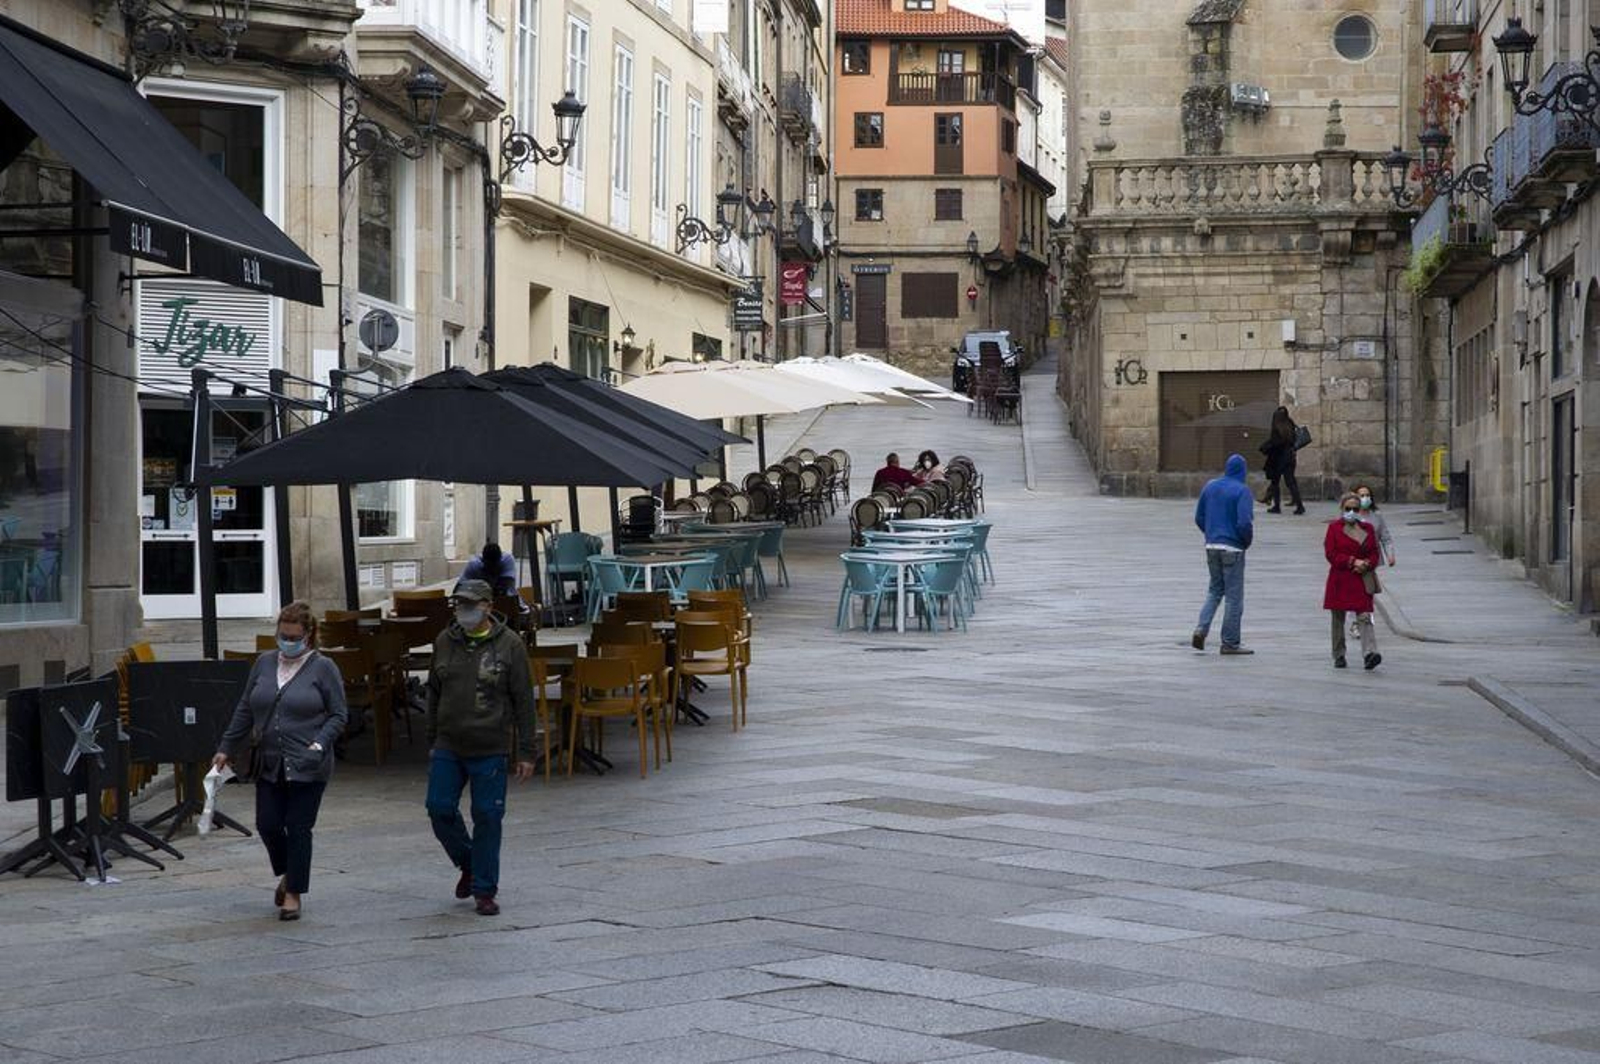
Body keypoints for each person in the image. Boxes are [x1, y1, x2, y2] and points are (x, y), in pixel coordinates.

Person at [215, 602, 349, 921]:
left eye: (294, 636)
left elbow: (339, 714)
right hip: (270, 760)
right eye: (283, 635)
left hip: (308, 761)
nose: (288, 641)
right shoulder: (263, 663)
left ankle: (293, 894)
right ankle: (289, 872)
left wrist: (319, 743)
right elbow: (245, 708)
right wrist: (226, 747)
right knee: (268, 824)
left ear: (309, 636)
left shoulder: (323, 667)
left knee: (299, 827)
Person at [425, 578, 537, 916]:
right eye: (460, 604)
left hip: (490, 744)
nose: (464, 610)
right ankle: (469, 863)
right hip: (448, 742)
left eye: (471, 604)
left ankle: (484, 889)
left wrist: (527, 752)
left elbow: (523, 701)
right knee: (439, 808)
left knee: (488, 816)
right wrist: (431, 740)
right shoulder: (445, 641)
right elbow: (433, 691)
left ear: (488, 606)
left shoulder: (510, 646)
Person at [1191, 453, 1255, 655]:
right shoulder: (1242, 491)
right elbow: (1244, 522)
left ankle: (1201, 628)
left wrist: (1211, 534)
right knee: (1234, 598)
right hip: (1233, 547)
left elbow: (1199, 516)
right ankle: (1230, 642)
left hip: (1212, 545)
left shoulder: (1210, 486)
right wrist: (1245, 541)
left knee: (1215, 590)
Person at [1324, 493, 1382, 670]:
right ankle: (1339, 654)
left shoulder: (1368, 529)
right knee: (1338, 618)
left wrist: (1366, 564)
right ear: (1342, 509)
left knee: (1365, 616)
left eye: (1355, 509)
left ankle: (1370, 653)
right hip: (1341, 577)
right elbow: (1331, 553)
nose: (1351, 512)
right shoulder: (1334, 528)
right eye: (1347, 508)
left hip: (1361, 577)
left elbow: (1374, 552)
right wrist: (1351, 561)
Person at [1258, 406, 1305, 515]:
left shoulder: (1277, 428)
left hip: (1278, 458)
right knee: (1291, 482)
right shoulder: (1290, 424)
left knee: (1275, 483)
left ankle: (1276, 506)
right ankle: (1299, 506)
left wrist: (1264, 447)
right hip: (1290, 457)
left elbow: (1275, 443)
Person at [1350, 483, 1396, 567]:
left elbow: (1386, 538)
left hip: (1372, 560)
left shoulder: (1376, 516)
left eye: (1368, 495)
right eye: (1362, 495)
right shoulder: (1351, 516)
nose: (1365, 498)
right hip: (1355, 560)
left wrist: (1390, 555)